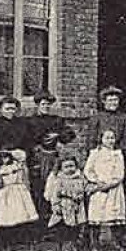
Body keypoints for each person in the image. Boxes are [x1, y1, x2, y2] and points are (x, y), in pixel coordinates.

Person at [0, 95, 40, 251]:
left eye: (13, 108)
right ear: (0, 109)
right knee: (5, 203)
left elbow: (29, 145)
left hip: (20, 165)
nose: (10, 111)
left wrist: (23, 155)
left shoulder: (23, 125)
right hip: (3, 166)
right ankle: (6, 240)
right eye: (7, 108)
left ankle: (24, 238)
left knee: (23, 202)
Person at [27, 91, 74, 234]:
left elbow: (70, 135)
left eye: (48, 104)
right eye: (43, 104)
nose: (45, 107)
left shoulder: (56, 120)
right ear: (37, 105)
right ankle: (39, 229)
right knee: (39, 190)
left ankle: (55, 227)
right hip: (38, 159)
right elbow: (26, 140)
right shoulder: (31, 121)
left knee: (55, 190)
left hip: (54, 158)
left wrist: (58, 135)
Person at [83, 126, 126, 251]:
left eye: (112, 138)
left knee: (114, 216)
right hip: (98, 187)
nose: (110, 140)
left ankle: (117, 243)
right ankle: (94, 244)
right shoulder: (95, 153)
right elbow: (88, 170)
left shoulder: (118, 154)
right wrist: (97, 181)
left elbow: (120, 173)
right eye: (107, 138)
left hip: (114, 189)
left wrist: (109, 184)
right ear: (101, 139)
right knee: (96, 215)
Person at [43, 154, 89, 251]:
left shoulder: (80, 177)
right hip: (64, 206)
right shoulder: (59, 179)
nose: (69, 169)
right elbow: (55, 194)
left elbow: (85, 188)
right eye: (66, 167)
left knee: (75, 228)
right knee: (61, 229)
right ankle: (58, 247)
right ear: (61, 168)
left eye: (72, 166)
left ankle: (73, 246)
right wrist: (56, 205)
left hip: (76, 206)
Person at [83, 86, 126, 150]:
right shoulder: (97, 117)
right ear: (104, 101)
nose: (113, 103)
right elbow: (91, 139)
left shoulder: (124, 118)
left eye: (115, 100)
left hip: (118, 153)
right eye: (110, 100)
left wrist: (120, 151)